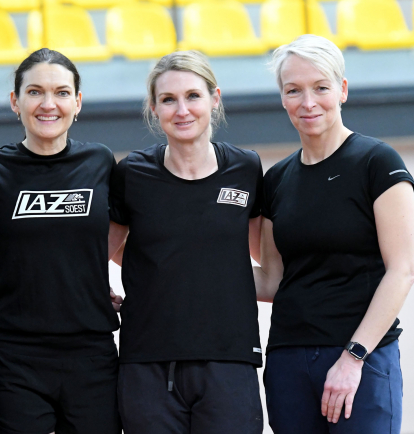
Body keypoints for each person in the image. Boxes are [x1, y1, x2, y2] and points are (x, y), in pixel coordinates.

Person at [255, 34, 414, 433]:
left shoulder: (377, 162)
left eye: (321, 88)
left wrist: (354, 357)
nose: (308, 102)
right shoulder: (276, 180)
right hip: (288, 361)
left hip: (360, 359)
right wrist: (187, 271)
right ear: (282, 98)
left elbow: (404, 270)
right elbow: (274, 279)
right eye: (294, 90)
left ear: (342, 90)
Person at [108, 51, 264, 433]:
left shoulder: (246, 168)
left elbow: (267, 264)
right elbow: (101, 251)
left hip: (230, 360)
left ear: (215, 98)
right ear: (153, 108)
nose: (182, 110)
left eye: (193, 96)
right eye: (168, 99)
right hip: (147, 363)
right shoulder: (131, 173)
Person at [0, 48, 124, 434]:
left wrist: (80, 274)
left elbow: (119, 229)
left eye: (61, 92)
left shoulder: (100, 162)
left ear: (78, 103)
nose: (48, 104)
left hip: (91, 352)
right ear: (15, 102)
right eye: (35, 92)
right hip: (15, 354)